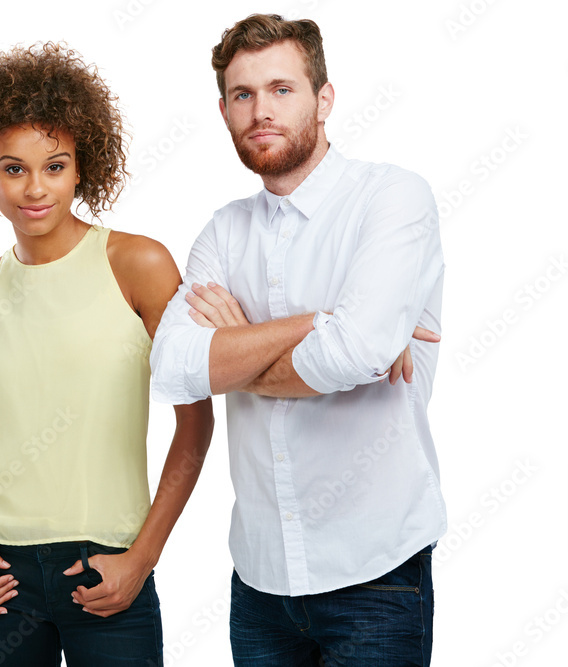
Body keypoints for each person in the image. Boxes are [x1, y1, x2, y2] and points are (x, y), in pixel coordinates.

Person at [149, 14, 445, 666]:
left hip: (376, 574)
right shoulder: (223, 232)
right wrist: (318, 321)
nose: (261, 110)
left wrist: (230, 352)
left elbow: (356, 352)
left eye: (282, 89)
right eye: (242, 94)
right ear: (224, 109)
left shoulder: (393, 198)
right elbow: (170, 368)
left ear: (324, 98)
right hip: (260, 584)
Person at [0, 42, 214, 666]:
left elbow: (195, 422)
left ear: (82, 166)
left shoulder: (137, 264)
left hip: (105, 567)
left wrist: (143, 558)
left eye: (54, 166)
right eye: (13, 168)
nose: (35, 188)